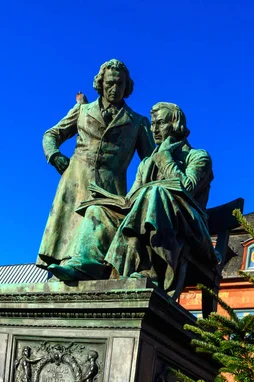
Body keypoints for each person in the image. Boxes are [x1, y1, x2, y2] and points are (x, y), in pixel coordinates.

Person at [49, 102, 217, 297]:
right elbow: (131, 200)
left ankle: (149, 272)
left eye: (160, 123)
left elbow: (187, 188)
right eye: (152, 124)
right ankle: (88, 264)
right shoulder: (146, 163)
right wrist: (109, 200)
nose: (154, 130)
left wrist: (164, 156)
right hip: (143, 212)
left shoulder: (198, 156)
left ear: (176, 124)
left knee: (155, 194)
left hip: (187, 227)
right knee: (98, 210)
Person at [37, 59, 154, 269]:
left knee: (98, 253)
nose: (114, 89)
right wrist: (54, 155)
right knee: (65, 246)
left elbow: (151, 163)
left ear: (127, 86)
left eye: (120, 84)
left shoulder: (138, 122)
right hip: (76, 181)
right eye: (110, 83)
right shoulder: (82, 111)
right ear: (101, 83)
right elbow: (52, 134)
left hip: (110, 189)